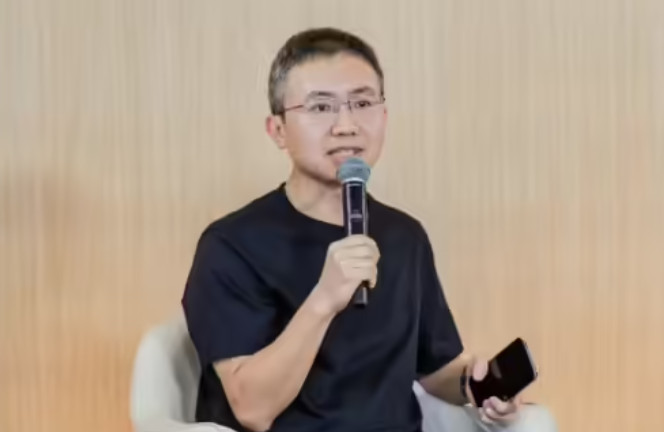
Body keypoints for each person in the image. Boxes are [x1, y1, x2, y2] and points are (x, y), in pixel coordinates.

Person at [181, 27, 544, 432]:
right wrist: (324, 299)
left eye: (363, 103)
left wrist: (475, 385)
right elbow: (252, 409)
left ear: (383, 117)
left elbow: (433, 369)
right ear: (277, 130)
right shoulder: (231, 245)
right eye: (321, 107)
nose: (346, 125)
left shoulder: (405, 236)